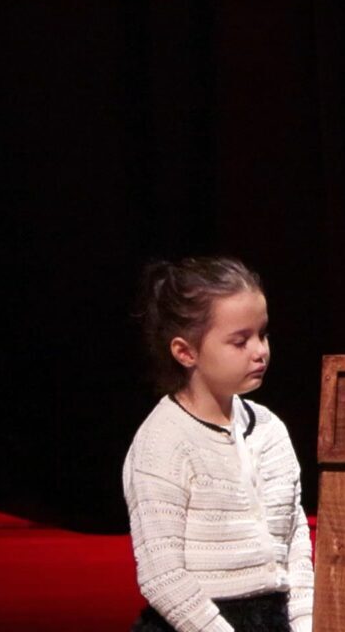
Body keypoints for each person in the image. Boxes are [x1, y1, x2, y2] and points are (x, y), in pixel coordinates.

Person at [124, 257, 314, 632]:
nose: (260, 351)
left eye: (262, 334)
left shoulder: (270, 429)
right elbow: (162, 575)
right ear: (185, 352)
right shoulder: (162, 442)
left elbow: (294, 542)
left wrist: (305, 624)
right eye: (240, 341)